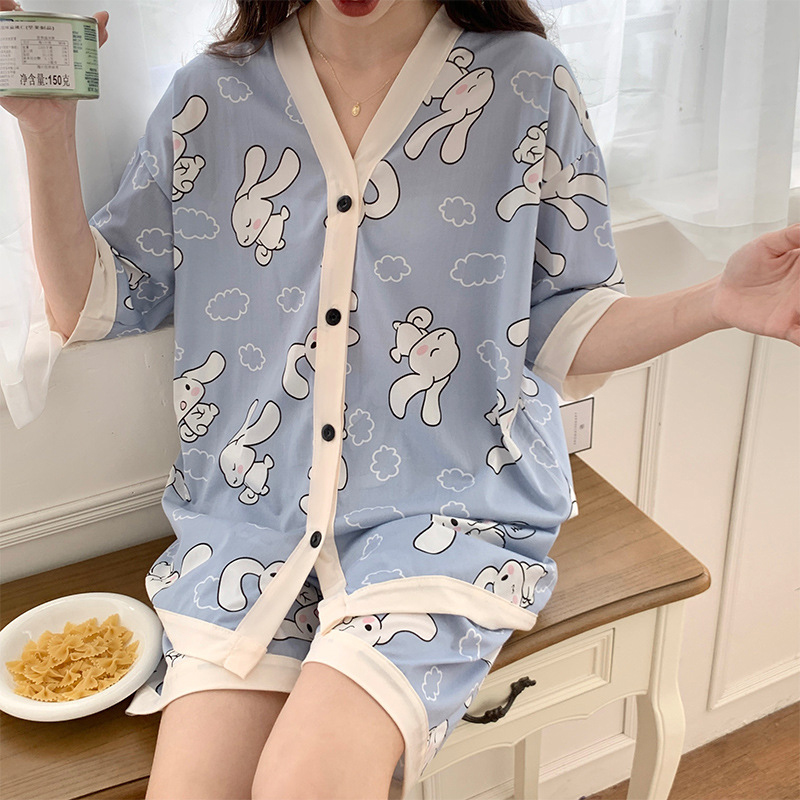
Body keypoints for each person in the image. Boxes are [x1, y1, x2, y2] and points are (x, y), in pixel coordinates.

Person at [3, 0, 798, 798]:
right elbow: (93, 303)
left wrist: (716, 303)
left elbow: (565, 325)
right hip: (251, 527)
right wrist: (44, 128)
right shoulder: (208, 95)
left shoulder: (526, 84)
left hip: (444, 517)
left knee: (305, 784)